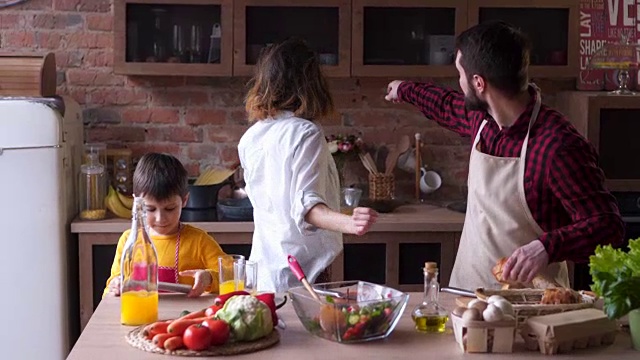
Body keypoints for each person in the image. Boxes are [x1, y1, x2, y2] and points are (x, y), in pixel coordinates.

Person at [385, 21, 624, 290]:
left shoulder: (558, 146)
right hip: (466, 296)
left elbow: (607, 227)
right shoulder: (482, 120)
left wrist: (546, 247)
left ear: (478, 83)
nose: (459, 82)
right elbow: (445, 104)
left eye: (460, 75)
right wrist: (403, 89)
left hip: (532, 309)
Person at [238, 38, 379, 293]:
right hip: (303, 272)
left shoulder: (251, 137)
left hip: (264, 271)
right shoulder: (306, 133)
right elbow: (307, 207)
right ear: (311, 82)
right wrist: (351, 224)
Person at [104, 153, 227, 298]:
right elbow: (112, 285)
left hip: (184, 318)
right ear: (136, 202)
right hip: (141, 317)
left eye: (170, 209)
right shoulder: (128, 241)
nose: (160, 218)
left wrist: (209, 277)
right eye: (150, 209)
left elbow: (232, 274)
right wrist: (115, 286)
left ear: (185, 200)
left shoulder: (199, 241)